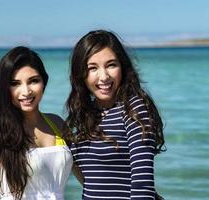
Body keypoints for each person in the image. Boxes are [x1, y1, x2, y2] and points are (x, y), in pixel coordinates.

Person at [64, 30, 165, 199]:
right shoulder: (84, 114)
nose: (103, 77)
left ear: (122, 67)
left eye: (111, 65)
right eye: (92, 68)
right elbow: (91, 180)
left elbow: (143, 185)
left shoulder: (133, 108)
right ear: (81, 74)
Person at [0, 46, 75, 200]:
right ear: (5, 88)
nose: (26, 92)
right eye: (15, 83)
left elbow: (89, 176)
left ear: (43, 83)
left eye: (33, 81)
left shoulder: (57, 124)